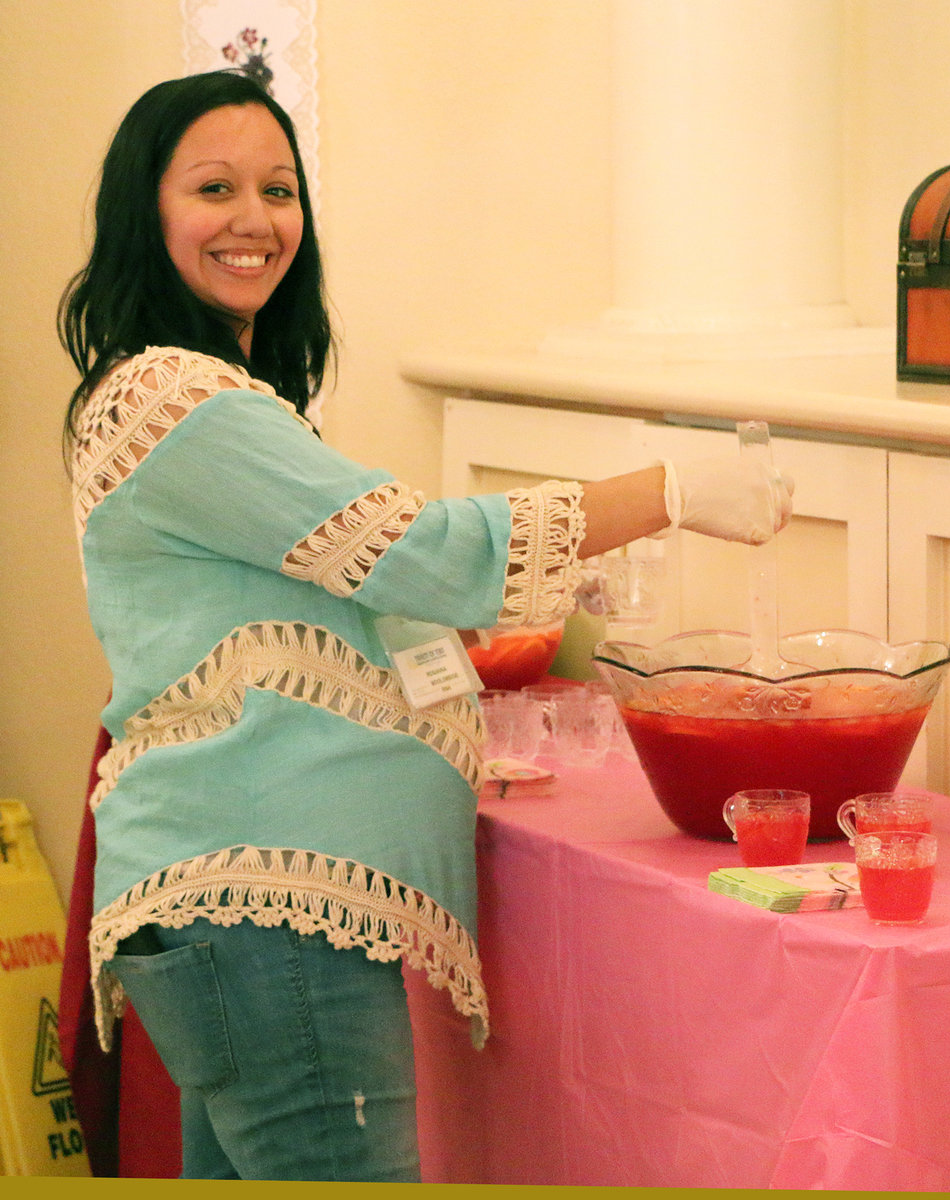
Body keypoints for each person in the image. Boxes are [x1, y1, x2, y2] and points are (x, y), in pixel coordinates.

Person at [58, 70, 792, 1182]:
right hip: (266, 921)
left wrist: (557, 583)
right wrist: (670, 492)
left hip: (242, 912)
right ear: (144, 213)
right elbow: (414, 548)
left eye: (280, 188)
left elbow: (346, 582)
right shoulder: (172, 399)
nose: (257, 221)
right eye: (215, 187)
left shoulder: (210, 393)